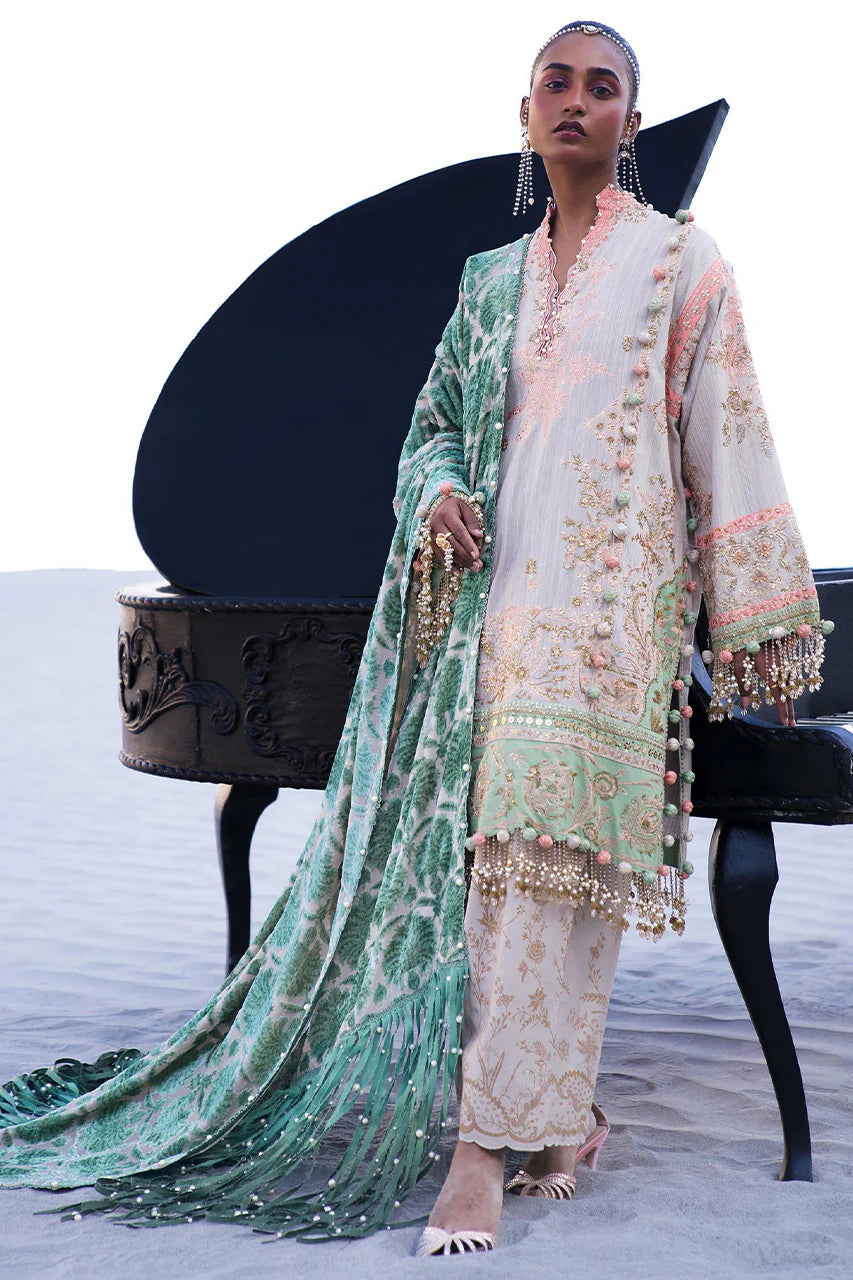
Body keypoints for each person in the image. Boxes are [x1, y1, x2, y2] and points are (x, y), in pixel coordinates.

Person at [0, 18, 831, 1258]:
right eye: (555, 81)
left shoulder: (681, 265)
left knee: (557, 876)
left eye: (603, 86)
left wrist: (757, 620)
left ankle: (485, 1146)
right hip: (481, 625)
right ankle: (545, 1123)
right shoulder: (487, 282)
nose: (576, 100)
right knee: (506, 876)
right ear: (525, 110)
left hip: (610, 620)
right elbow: (433, 420)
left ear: (631, 122)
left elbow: (731, 435)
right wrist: (436, 485)